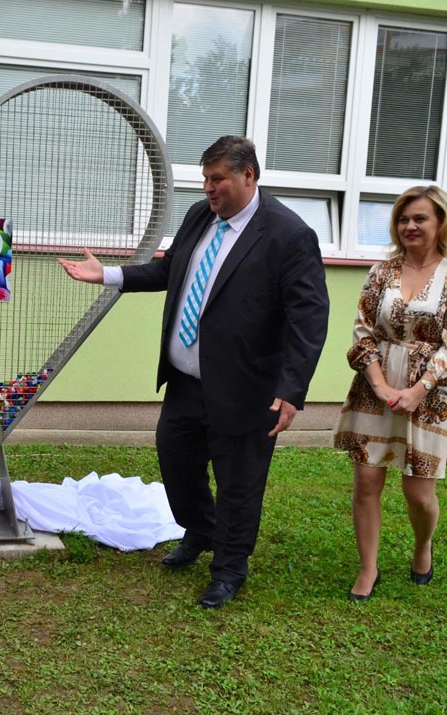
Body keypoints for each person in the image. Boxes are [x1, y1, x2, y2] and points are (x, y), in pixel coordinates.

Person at [59, 136, 329, 608]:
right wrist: (109, 275)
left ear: (248, 176)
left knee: (238, 483)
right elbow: (171, 272)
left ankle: (229, 569)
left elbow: (309, 317)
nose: (209, 188)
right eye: (205, 178)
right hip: (187, 381)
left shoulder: (289, 235)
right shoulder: (201, 216)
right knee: (177, 462)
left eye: (218, 179)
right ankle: (202, 530)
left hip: (248, 389)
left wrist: (292, 388)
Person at [334, 185, 447, 602]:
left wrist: (418, 389)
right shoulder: (382, 272)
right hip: (374, 388)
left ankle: (422, 546)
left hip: (428, 394)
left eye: (419, 218)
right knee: (366, 481)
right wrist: (379, 385)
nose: (410, 226)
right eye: (403, 219)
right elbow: (363, 331)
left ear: (440, 222)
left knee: (419, 493)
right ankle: (368, 568)